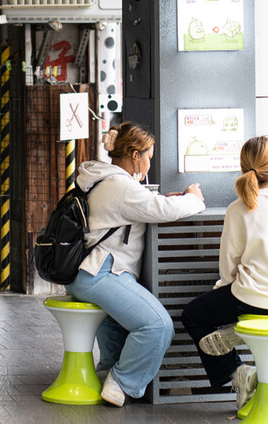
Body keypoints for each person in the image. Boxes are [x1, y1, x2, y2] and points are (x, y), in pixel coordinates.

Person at [66, 121, 206, 407]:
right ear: (133, 154)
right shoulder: (120, 185)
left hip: (84, 271)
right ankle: (121, 381)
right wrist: (194, 198)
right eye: (148, 157)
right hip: (102, 274)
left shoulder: (99, 177)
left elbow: (139, 205)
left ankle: (108, 369)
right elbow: (163, 209)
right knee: (158, 326)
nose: (149, 164)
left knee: (120, 324)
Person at [181, 135, 268, 409]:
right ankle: (237, 331)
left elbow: (229, 268)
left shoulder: (239, 207)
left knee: (193, 315)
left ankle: (237, 371)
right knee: (238, 304)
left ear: (242, 168)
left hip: (256, 298)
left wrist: (224, 292)